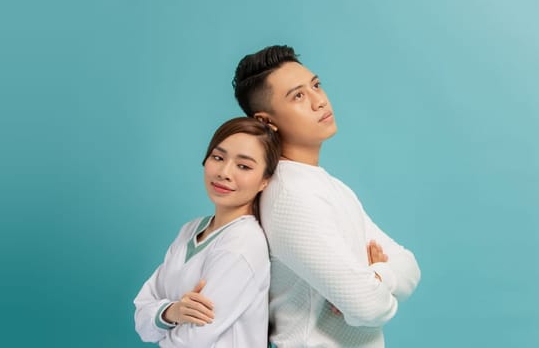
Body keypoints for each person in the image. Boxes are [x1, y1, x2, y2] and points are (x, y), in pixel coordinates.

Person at [231, 45, 422, 347]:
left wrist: (374, 277)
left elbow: (410, 267)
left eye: (316, 85)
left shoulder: (327, 186)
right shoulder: (290, 197)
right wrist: (373, 280)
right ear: (267, 121)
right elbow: (367, 306)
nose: (319, 101)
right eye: (298, 96)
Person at [134, 116, 281, 347]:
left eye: (243, 166)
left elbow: (190, 342)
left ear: (265, 181)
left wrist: (162, 316)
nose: (224, 172)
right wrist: (172, 311)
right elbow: (142, 317)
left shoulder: (243, 243)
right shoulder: (191, 230)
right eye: (218, 157)